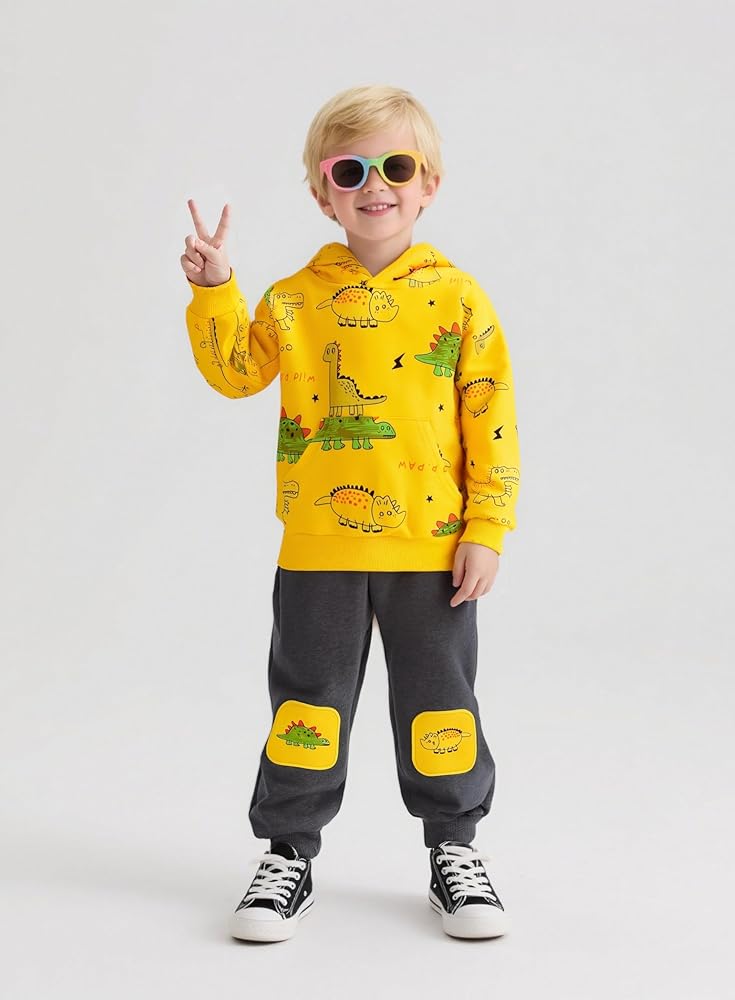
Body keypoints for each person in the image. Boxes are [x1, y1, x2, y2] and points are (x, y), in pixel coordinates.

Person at [181, 84, 521, 942]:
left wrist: (487, 529)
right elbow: (235, 372)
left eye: (397, 166)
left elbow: (490, 416)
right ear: (321, 192)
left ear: (429, 183)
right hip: (318, 550)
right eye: (350, 170)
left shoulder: (460, 300)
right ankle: (287, 854)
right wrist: (217, 290)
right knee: (308, 705)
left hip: (431, 553)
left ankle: (455, 848)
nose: (376, 185)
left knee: (440, 705)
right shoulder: (295, 298)